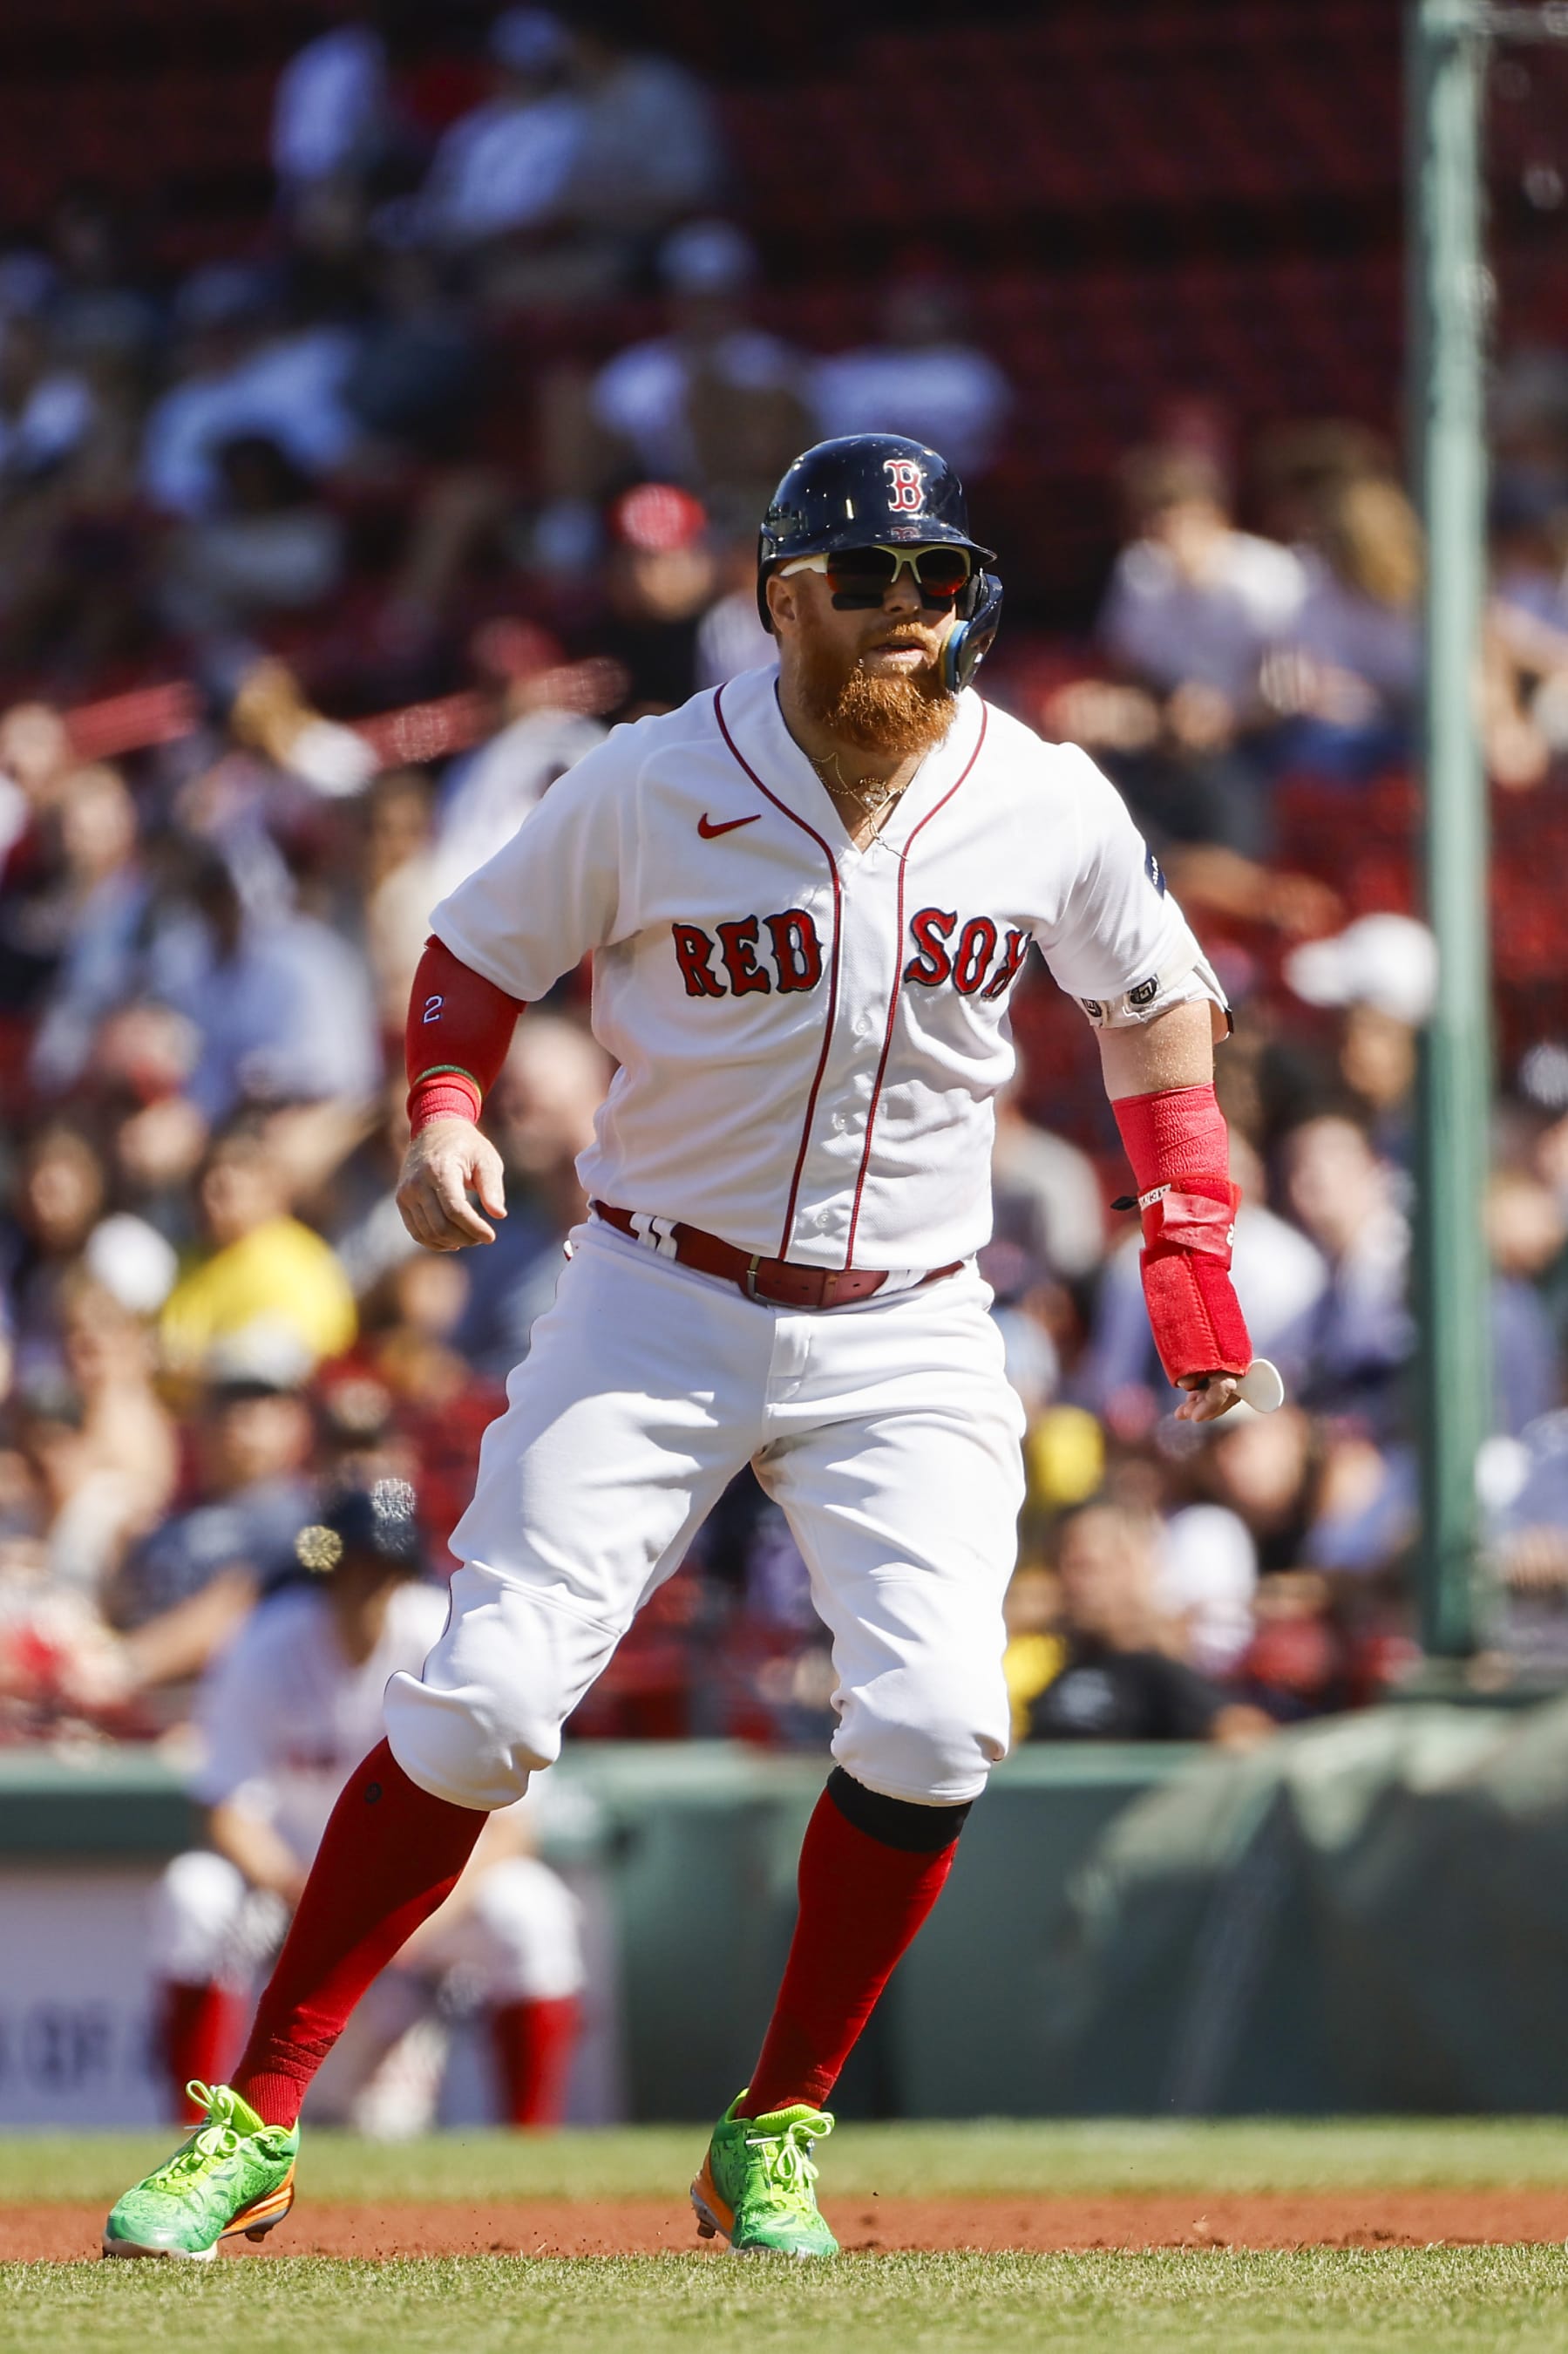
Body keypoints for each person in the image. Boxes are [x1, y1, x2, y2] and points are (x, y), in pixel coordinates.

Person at [103, 432, 1259, 2263]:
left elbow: (1155, 1003)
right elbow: (475, 953)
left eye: (936, 581)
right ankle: (256, 2118)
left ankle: (773, 2125)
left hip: (911, 1323)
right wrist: (443, 1107)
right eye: (866, 581)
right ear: (777, 594)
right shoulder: (652, 778)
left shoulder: (1041, 796)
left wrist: (1184, 1252)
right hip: (658, 1295)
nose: (905, 615)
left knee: (943, 1719)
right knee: (481, 1704)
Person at [147, 1481, 583, 2134]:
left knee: (532, 1911)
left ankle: (531, 2138)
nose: (364, 1586)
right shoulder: (265, 1643)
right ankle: (189, 2131)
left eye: (382, 1570)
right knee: (194, 1895)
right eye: (349, 1568)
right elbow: (228, 1810)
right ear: (322, 1572)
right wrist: (304, 1896)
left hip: (427, 1897)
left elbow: (514, 1827)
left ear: (404, 1575)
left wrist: (421, 1917)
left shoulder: (451, 1638)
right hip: (290, 1890)